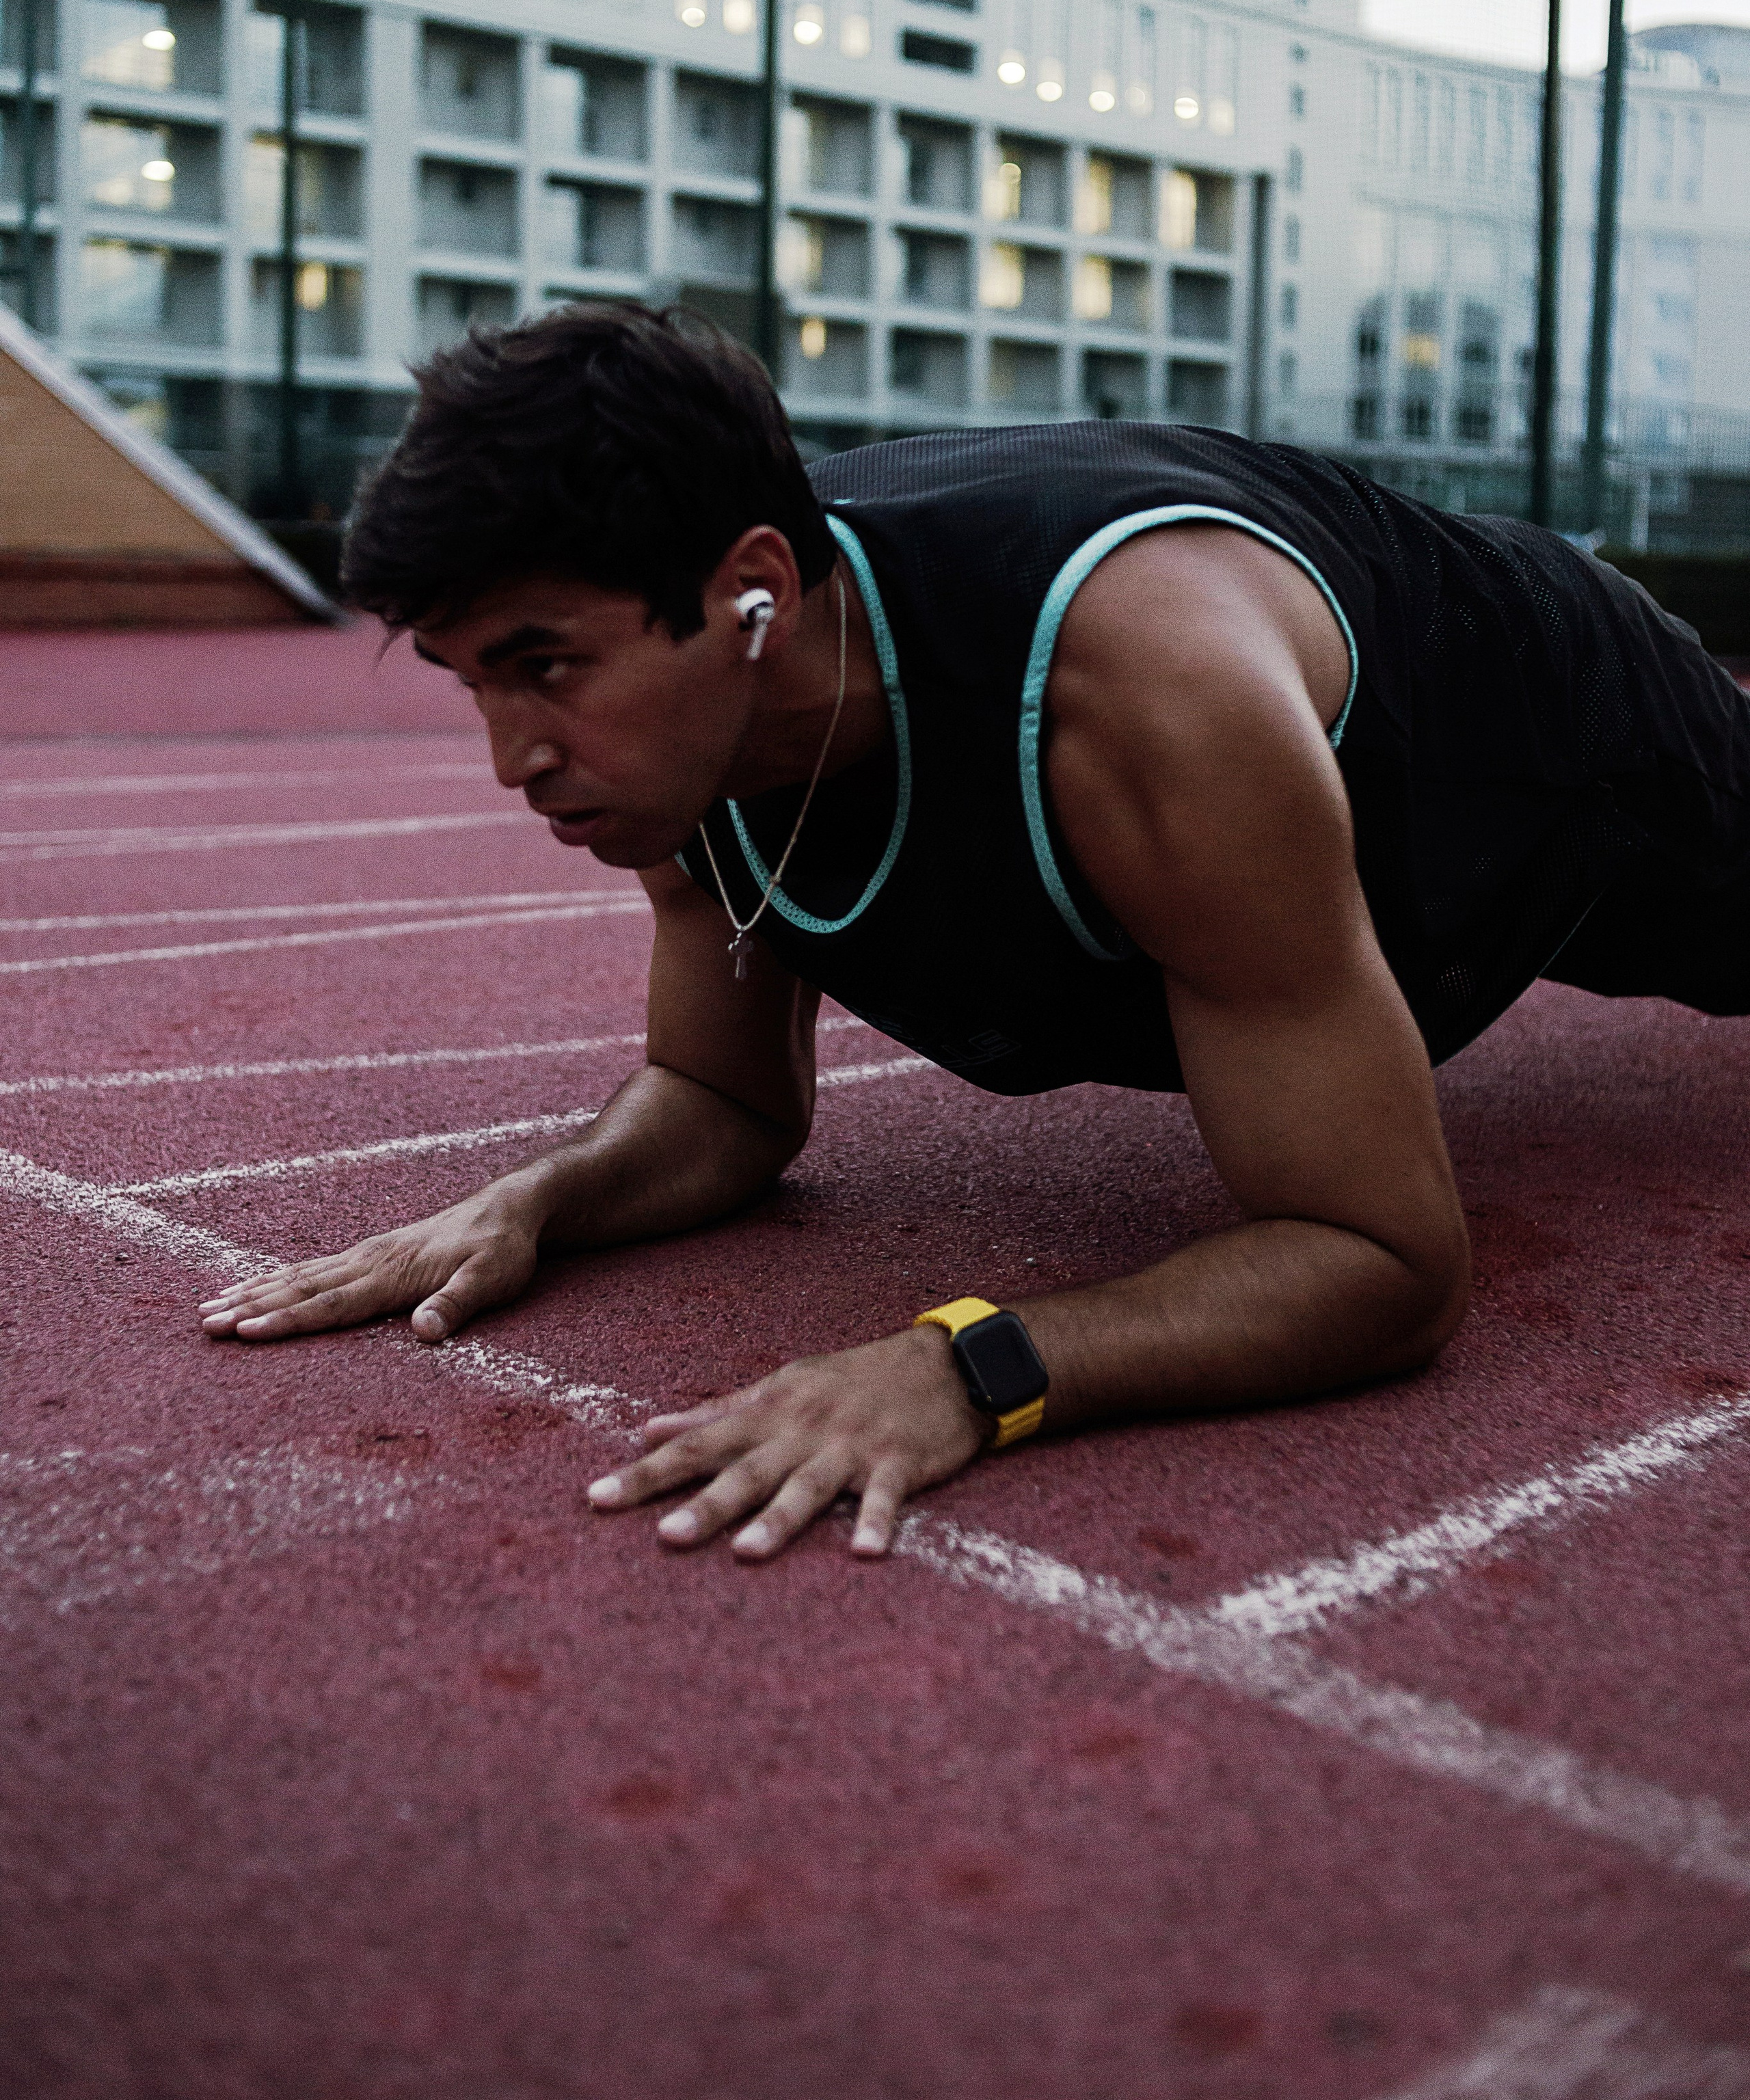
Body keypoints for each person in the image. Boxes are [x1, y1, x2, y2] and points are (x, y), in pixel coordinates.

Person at [200, 304, 1750, 1562]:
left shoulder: (1141, 694)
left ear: (752, 598)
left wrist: (966, 1367)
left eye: (546, 668)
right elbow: (725, 1104)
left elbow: (1385, 1260)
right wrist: (538, 1201)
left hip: (1564, 729)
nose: (512, 757)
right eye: (474, 681)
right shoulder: (679, 740)